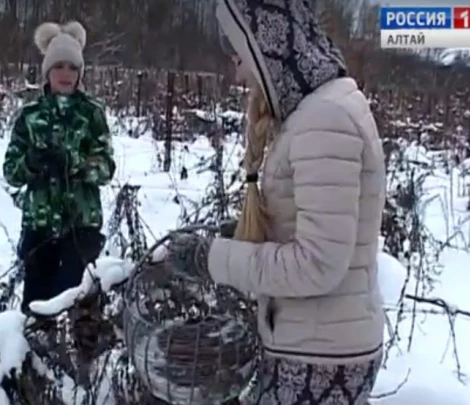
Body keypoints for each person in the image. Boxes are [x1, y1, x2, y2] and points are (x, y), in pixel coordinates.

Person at [162, 1, 386, 404]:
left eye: (237, 52)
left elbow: (318, 264)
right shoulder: (315, 109)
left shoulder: (325, 119)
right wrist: (243, 235)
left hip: (319, 355)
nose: (235, 69)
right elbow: (308, 227)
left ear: (267, 46)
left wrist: (213, 259)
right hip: (313, 343)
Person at [3, 21, 116, 315]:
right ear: (47, 72)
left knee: (79, 314)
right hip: (39, 227)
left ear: (80, 73)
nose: (65, 74)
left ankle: (81, 362)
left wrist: (74, 163)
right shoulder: (30, 116)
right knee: (36, 313)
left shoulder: (92, 114)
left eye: (72, 67)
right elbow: (11, 173)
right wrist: (33, 161)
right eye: (58, 67)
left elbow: (106, 167)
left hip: (81, 228)